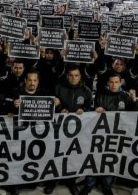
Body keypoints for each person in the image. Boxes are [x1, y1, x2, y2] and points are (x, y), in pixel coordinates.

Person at [81, 73, 137, 195]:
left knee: (111, 159)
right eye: (111, 82)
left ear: (120, 83)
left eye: (116, 82)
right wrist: (95, 110)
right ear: (107, 83)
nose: (113, 85)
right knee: (95, 158)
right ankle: (89, 184)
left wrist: (133, 101)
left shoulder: (126, 97)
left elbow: (134, 115)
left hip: (117, 134)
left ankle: (106, 185)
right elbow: (90, 112)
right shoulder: (100, 95)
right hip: (100, 133)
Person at [52, 64, 93, 195]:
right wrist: (59, 108)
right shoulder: (58, 88)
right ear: (67, 76)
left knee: (72, 156)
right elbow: (49, 105)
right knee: (56, 154)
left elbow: (90, 107)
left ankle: (71, 182)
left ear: (80, 76)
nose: (73, 78)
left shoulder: (86, 91)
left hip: (77, 131)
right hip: (59, 128)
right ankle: (52, 181)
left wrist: (84, 110)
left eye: (76, 75)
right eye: (70, 75)